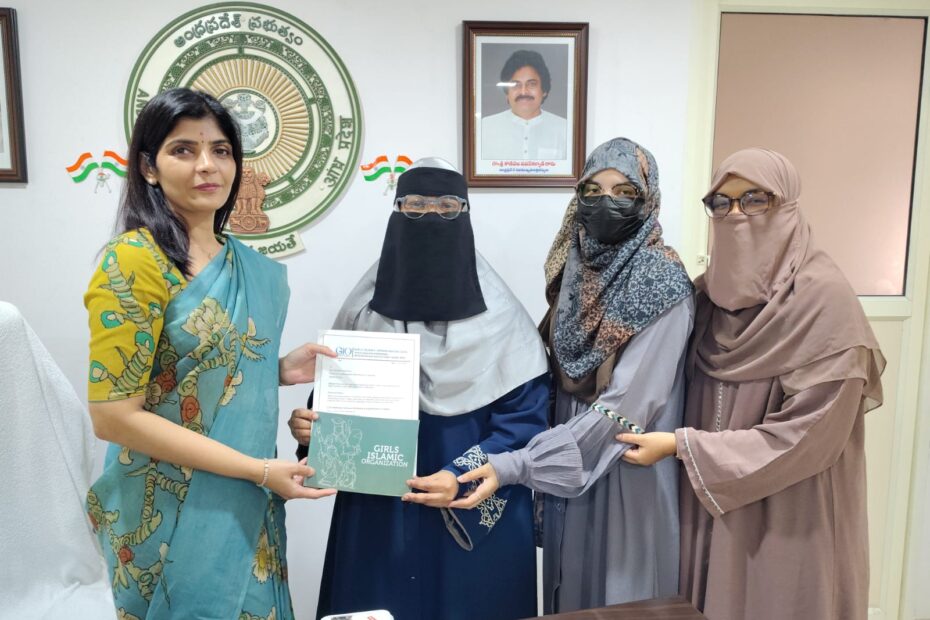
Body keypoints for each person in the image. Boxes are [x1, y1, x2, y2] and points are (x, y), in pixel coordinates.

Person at [83, 88, 335, 620]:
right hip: (163, 512)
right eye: (183, 150)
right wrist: (259, 471)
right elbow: (113, 417)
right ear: (149, 168)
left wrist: (278, 367)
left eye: (221, 151)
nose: (207, 166)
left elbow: (202, 368)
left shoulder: (249, 266)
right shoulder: (134, 262)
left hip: (246, 506)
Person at [616, 148, 885, 620]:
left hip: (790, 513)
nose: (735, 215)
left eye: (755, 200)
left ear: (788, 206)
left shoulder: (825, 304)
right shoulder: (705, 297)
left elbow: (808, 439)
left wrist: (684, 447)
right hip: (709, 505)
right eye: (721, 203)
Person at [290, 158, 549, 620]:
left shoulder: (505, 322)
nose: (430, 217)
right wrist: (311, 429)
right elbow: (332, 407)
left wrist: (460, 474)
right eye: (414, 207)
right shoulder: (364, 313)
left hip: (473, 499)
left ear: (466, 216)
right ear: (395, 215)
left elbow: (526, 424)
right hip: (380, 509)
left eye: (448, 207)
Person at [454, 138, 695, 613]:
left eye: (624, 191)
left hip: (625, 461)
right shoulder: (574, 269)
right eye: (593, 189)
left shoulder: (662, 280)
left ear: (649, 200)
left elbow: (626, 406)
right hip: (566, 460)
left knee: (622, 596)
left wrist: (519, 465)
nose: (606, 203)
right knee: (570, 595)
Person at [481, 49, 567, 160]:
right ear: (507, 92)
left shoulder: (565, 129)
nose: (523, 92)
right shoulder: (484, 128)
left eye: (531, 84)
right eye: (515, 85)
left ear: (544, 89)